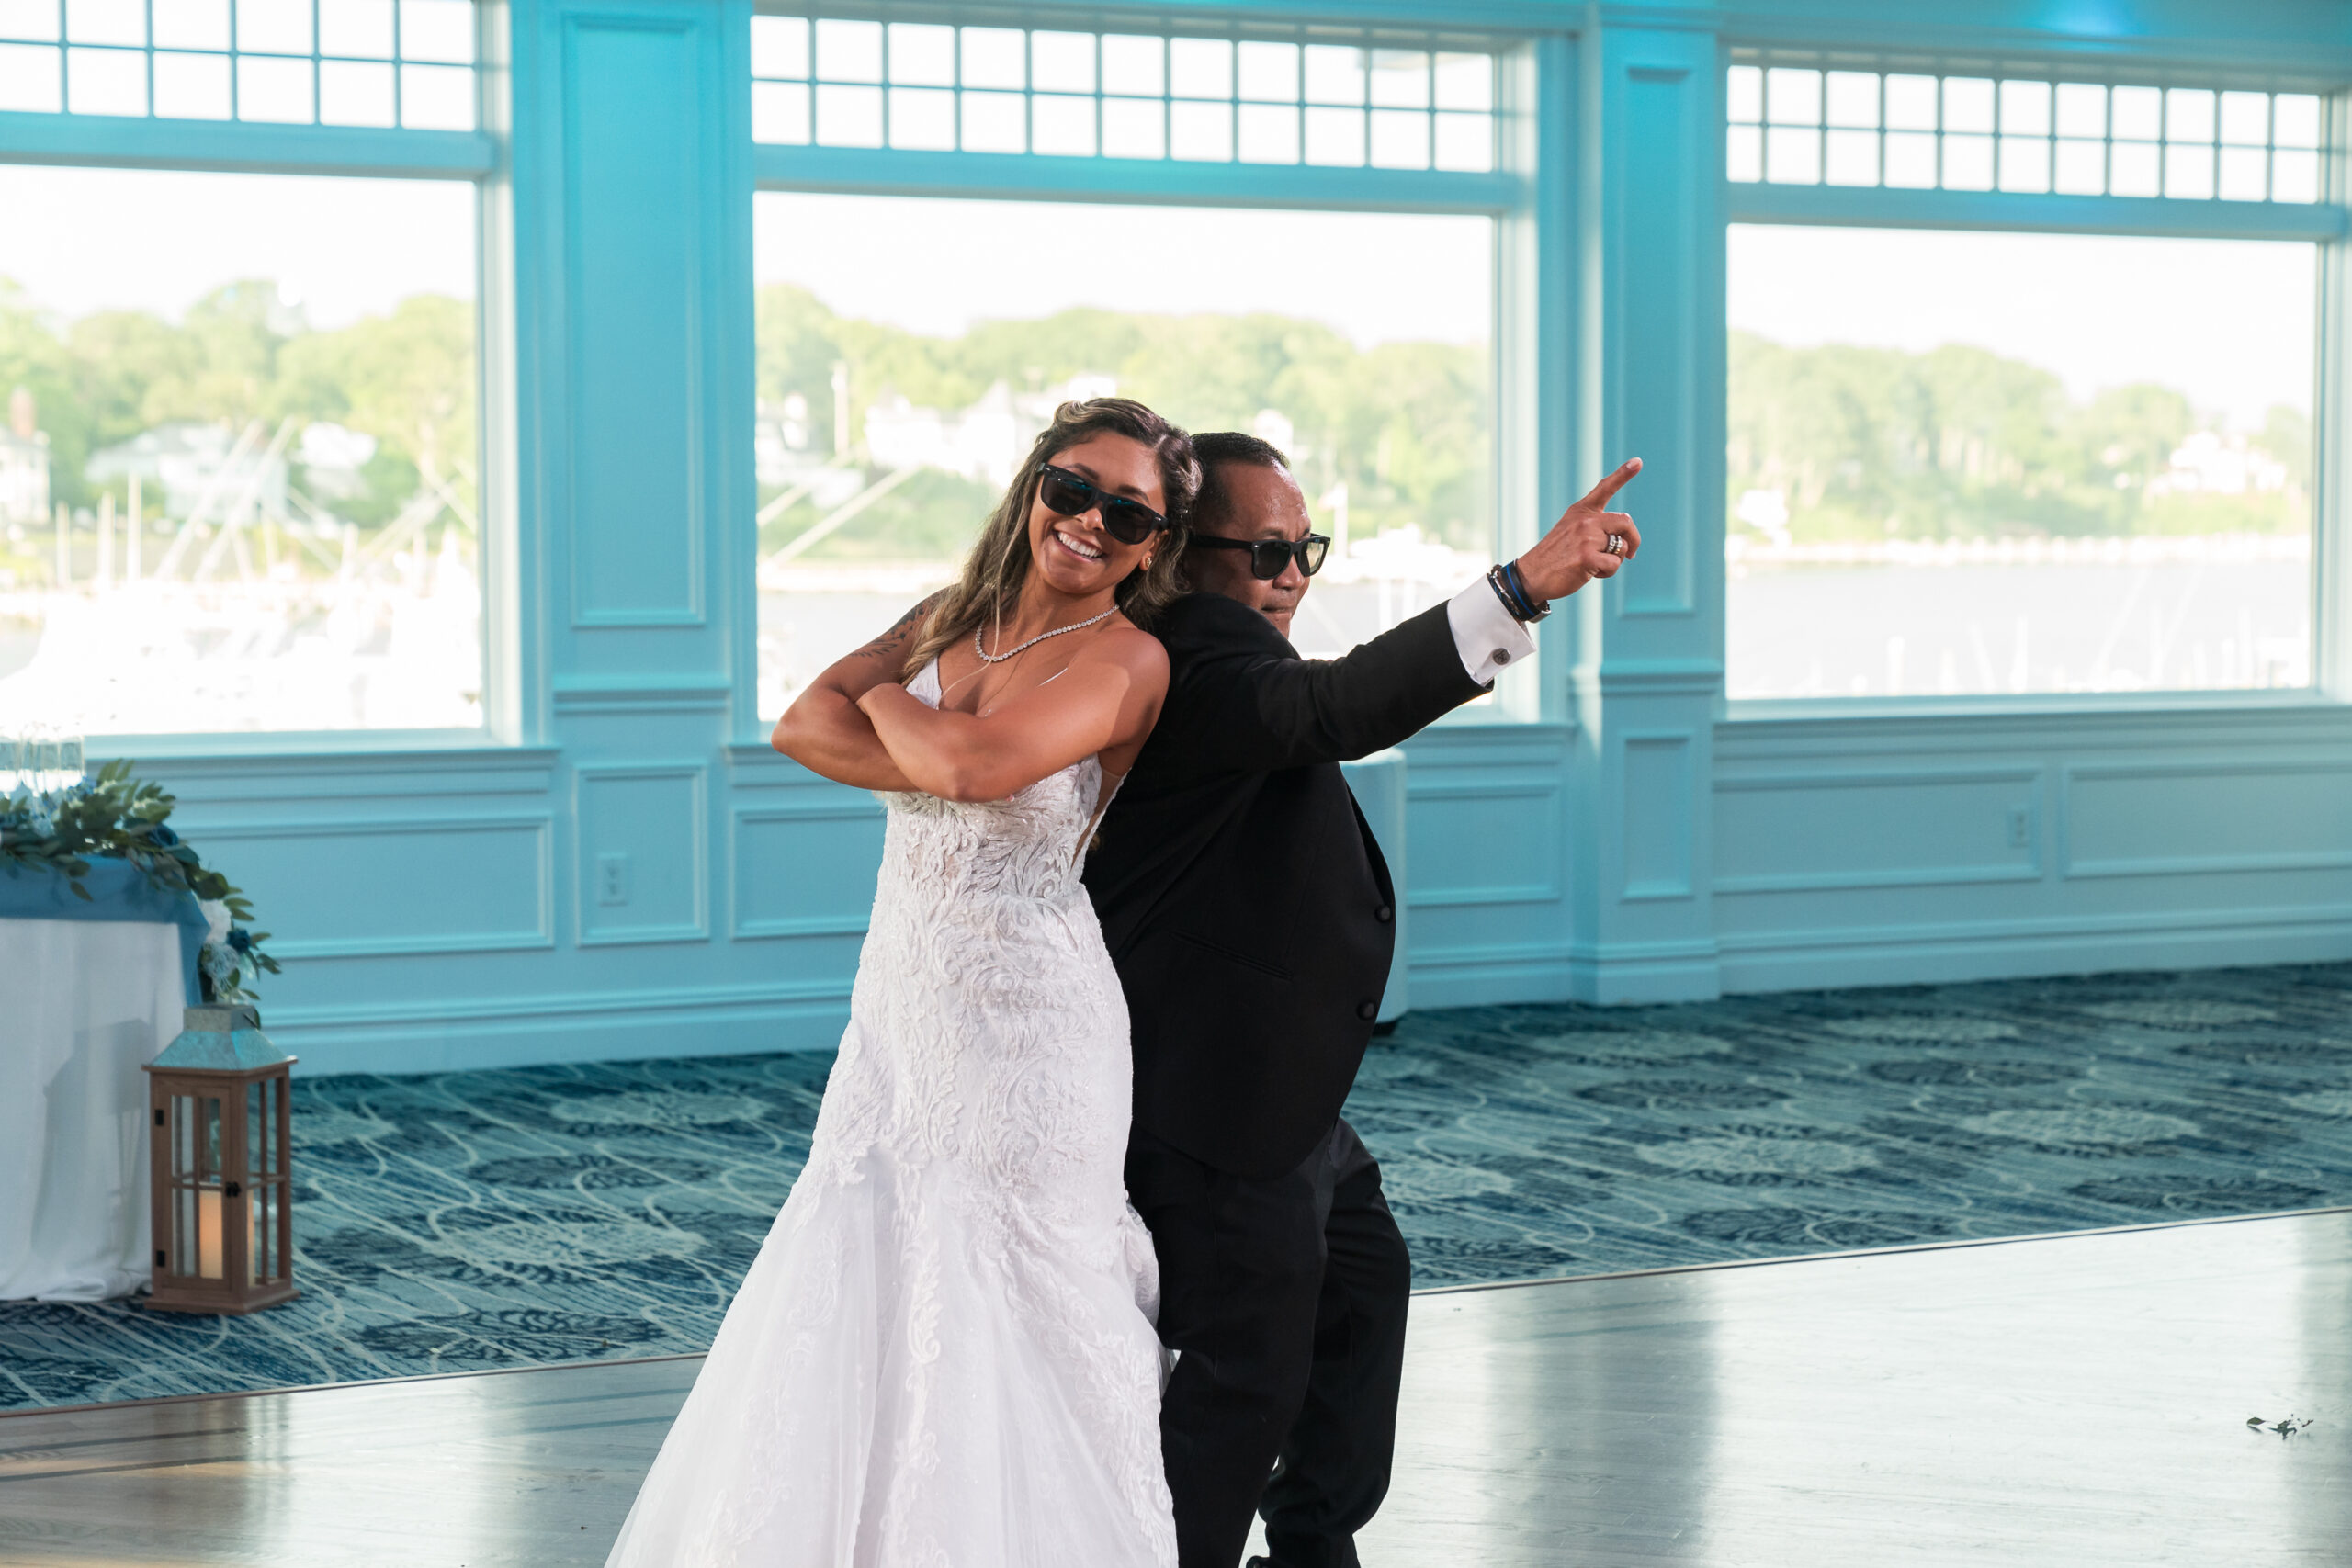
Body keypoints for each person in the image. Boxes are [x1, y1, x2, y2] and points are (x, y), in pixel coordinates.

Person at [602, 398, 1201, 1568]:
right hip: (900, 1013)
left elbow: (972, 768)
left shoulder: (1129, 657)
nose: (1088, 522)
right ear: (1036, 482)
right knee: (870, 1268)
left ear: (1152, 545)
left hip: (1031, 1032)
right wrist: (910, 717)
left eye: (1126, 514)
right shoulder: (948, 618)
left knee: (1011, 1299)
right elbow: (793, 725)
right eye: (1072, 488)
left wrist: (885, 696)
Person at [1083, 433, 1641, 1568]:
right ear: (1185, 557)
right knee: (1243, 1374)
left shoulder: (1229, 654)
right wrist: (1521, 586)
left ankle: (1313, 1540)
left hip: (1280, 1089)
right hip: (1214, 1103)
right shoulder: (1191, 657)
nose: (1293, 575)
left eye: (1308, 550)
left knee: (1362, 1290)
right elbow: (1336, 709)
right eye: (1268, 552)